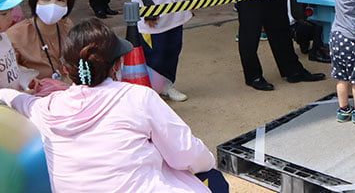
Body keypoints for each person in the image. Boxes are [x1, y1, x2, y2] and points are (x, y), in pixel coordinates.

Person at [0, 18, 219, 192]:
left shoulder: (45, 109)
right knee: (213, 179)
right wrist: (209, 162)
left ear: (66, 70)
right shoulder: (138, 97)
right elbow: (187, 153)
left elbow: (15, 99)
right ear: (118, 64)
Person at [7, 0, 75, 82]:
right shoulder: (16, 35)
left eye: (60, 0)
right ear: (35, 1)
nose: (52, 6)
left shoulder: (67, 26)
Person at [0, 0, 29, 90]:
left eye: (11, 12)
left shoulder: (5, 37)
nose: (10, 18)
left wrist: (25, 80)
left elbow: (12, 68)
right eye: (4, 14)